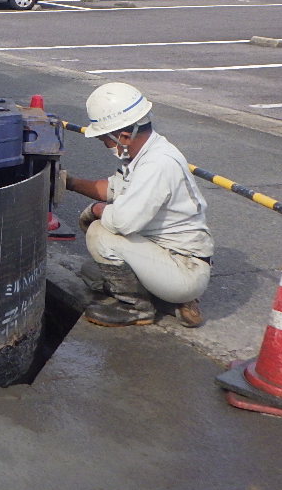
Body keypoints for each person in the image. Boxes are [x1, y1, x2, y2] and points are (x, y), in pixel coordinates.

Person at [64, 82, 213, 328]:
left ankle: (138, 308)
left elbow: (123, 221)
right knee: (92, 272)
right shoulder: (143, 155)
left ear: (124, 135)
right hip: (166, 257)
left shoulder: (157, 164)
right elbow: (111, 189)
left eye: (105, 139)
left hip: (184, 268)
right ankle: (170, 302)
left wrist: (96, 211)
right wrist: (69, 182)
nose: (106, 145)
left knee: (100, 233)